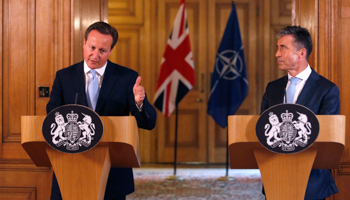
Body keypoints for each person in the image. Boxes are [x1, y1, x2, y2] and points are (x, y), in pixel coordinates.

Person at [46, 21, 157, 200]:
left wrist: (139, 103)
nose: (95, 55)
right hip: (70, 165)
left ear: (111, 51)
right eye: (91, 47)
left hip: (112, 170)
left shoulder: (127, 78)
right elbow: (52, 115)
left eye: (102, 51)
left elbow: (148, 123)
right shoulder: (64, 76)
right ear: (84, 43)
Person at [261, 26, 340, 200]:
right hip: (276, 176)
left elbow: (327, 137)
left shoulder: (327, 90)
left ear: (301, 52)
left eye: (283, 48)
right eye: (277, 48)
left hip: (312, 180)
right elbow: (263, 129)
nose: (277, 54)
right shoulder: (272, 88)